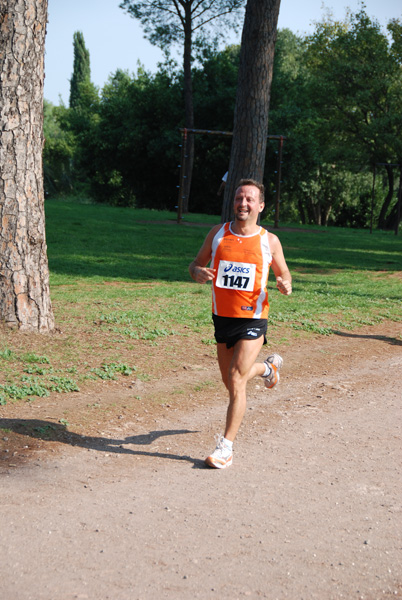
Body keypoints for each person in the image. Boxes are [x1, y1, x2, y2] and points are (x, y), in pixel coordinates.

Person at [189, 178, 292, 469]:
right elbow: (195, 264)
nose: (242, 203)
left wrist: (285, 284)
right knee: (232, 382)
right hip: (222, 318)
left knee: (236, 378)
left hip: (253, 318)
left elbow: (285, 274)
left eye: (249, 199)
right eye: (238, 198)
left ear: (260, 206)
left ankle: (226, 447)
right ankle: (268, 368)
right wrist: (197, 272)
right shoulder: (217, 233)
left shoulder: (269, 241)